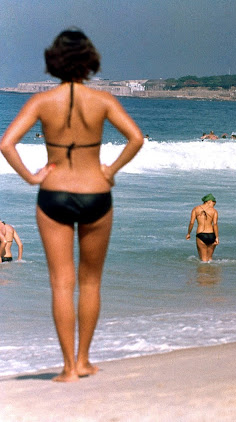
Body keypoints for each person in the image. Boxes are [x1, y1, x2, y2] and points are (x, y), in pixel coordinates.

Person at [0, 28, 144, 382]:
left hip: (54, 194)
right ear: (90, 61)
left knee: (61, 283)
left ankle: (67, 368)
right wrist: (110, 169)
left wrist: (32, 178)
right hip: (96, 192)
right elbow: (136, 138)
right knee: (90, 282)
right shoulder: (103, 100)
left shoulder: (41, 102)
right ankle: (84, 361)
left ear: (54, 62)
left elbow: (6, 144)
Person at [186, 194, 219, 262]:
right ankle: (211, 272)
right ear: (209, 201)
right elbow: (215, 224)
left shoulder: (195, 209)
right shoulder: (214, 211)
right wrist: (217, 237)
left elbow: (192, 222)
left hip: (201, 234)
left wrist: (188, 233)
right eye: (214, 202)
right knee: (210, 258)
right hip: (211, 234)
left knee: (203, 260)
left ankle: (203, 272)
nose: (214, 204)